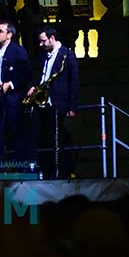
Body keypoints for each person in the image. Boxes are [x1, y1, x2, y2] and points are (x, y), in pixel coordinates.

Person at [27, 26, 80, 179]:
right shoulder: (44, 56)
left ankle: (59, 173)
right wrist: (34, 87)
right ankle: (43, 172)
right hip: (42, 102)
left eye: (43, 41)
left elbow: (74, 81)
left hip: (57, 103)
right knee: (40, 138)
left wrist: (71, 107)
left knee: (57, 139)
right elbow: (41, 76)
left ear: (52, 38)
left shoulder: (67, 55)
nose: (40, 44)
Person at [0, 21, 31, 161]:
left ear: (9, 35)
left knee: (16, 132)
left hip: (13, 99)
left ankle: (19, 165)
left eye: (0, 31)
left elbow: (26, 74)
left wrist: (10, 84)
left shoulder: (18, 51)